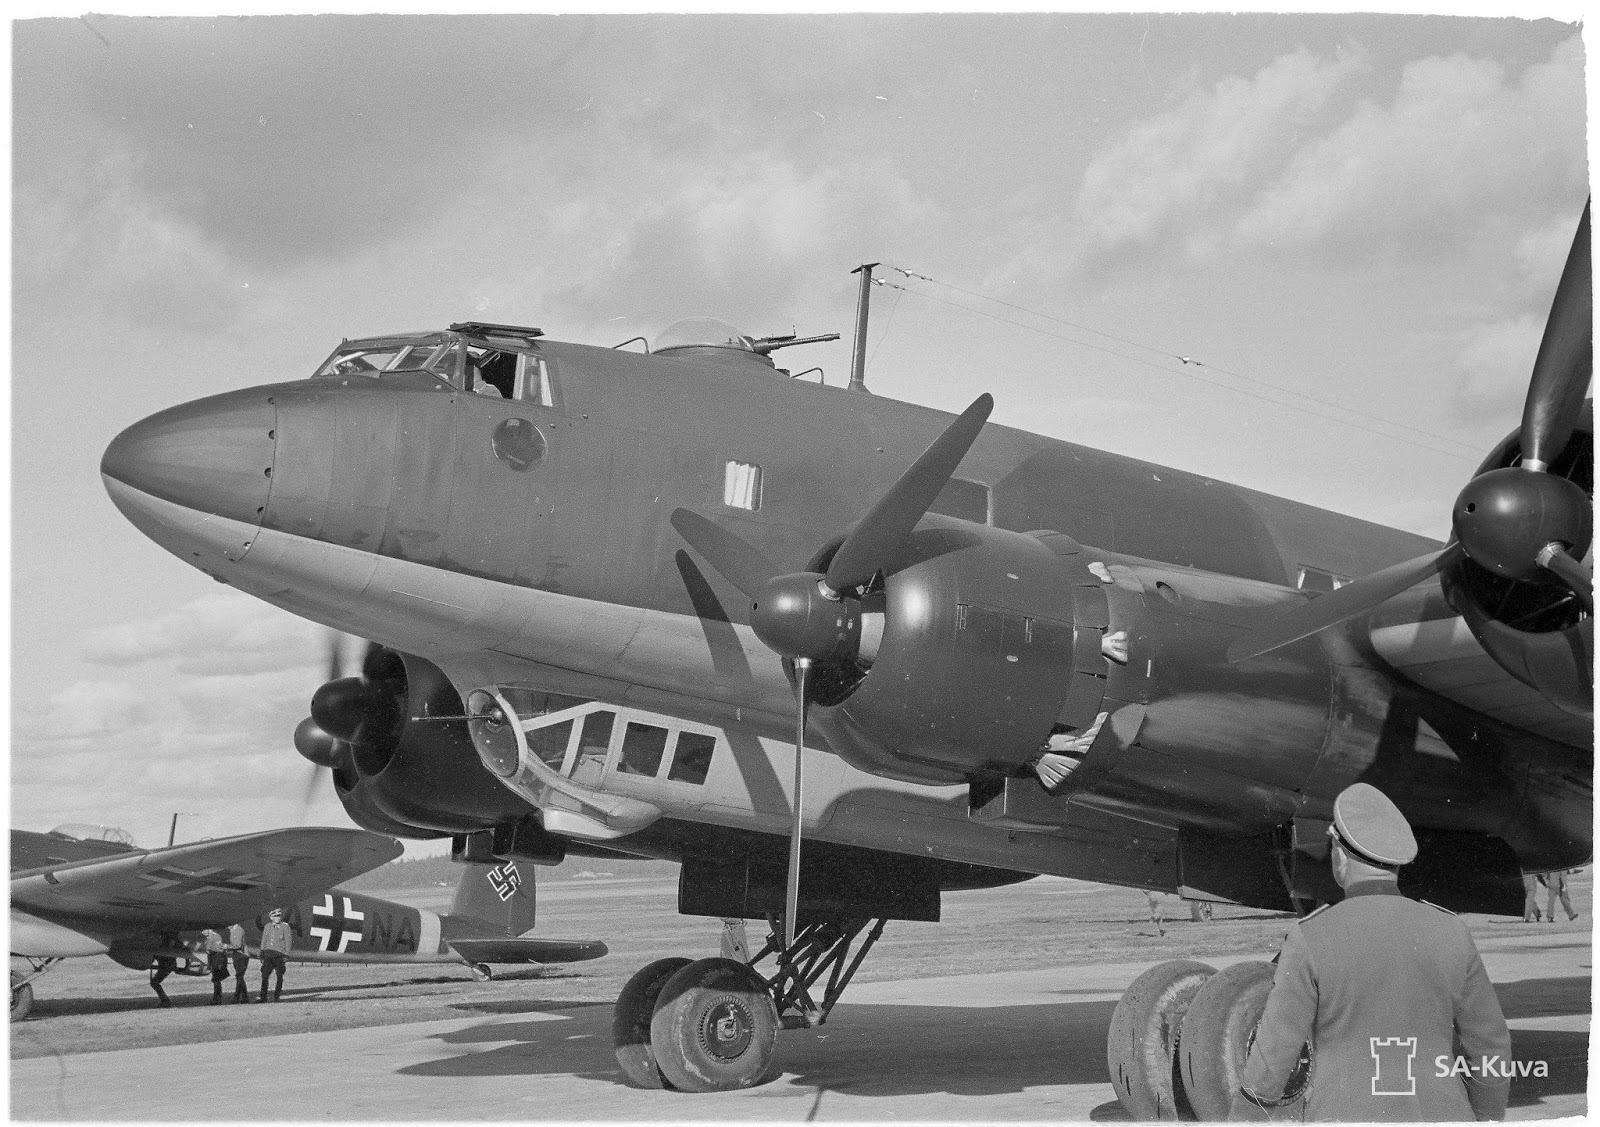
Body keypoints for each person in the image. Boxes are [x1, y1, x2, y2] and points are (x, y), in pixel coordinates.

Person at [1237, 782, 1511, 1121]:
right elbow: (1491, 1045)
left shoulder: (1311, 936)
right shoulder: (1452, 931)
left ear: (1339, 856)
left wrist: (1242, 1116)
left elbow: (1273, 1054)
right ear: (1396, 865)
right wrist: (1486, 1117)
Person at [259, 907, 292, 1003]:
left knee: (279, 976)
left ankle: (276, 997)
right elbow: (264, 939)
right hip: (268, 954)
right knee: (264, 976)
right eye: (275, 916)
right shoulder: (267, 926)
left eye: (279, 916)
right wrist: (262, 952)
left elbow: (288, 941)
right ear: (271, 917)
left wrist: (286, 954)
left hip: (279, 955)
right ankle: (263, 997)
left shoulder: (285, 926)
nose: (278, 918)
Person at [202, 927, 230, 1004]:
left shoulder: (214, 936)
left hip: (217, 958)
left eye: (204, 930)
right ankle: (216, 998)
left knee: (216, 979)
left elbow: (217, 949)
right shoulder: (211, 936)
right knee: (216, 980)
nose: (202, 932)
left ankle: (217, 999)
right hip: (215, 958)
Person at [227, 922, 251, 1002]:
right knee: (239, 976)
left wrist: (226, 946)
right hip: (238, 955)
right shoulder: (234, 930)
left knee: (239, 976)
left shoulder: (237, 930)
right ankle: (244, 997)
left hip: (241, 955)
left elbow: (237, 945)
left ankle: (237, 997)